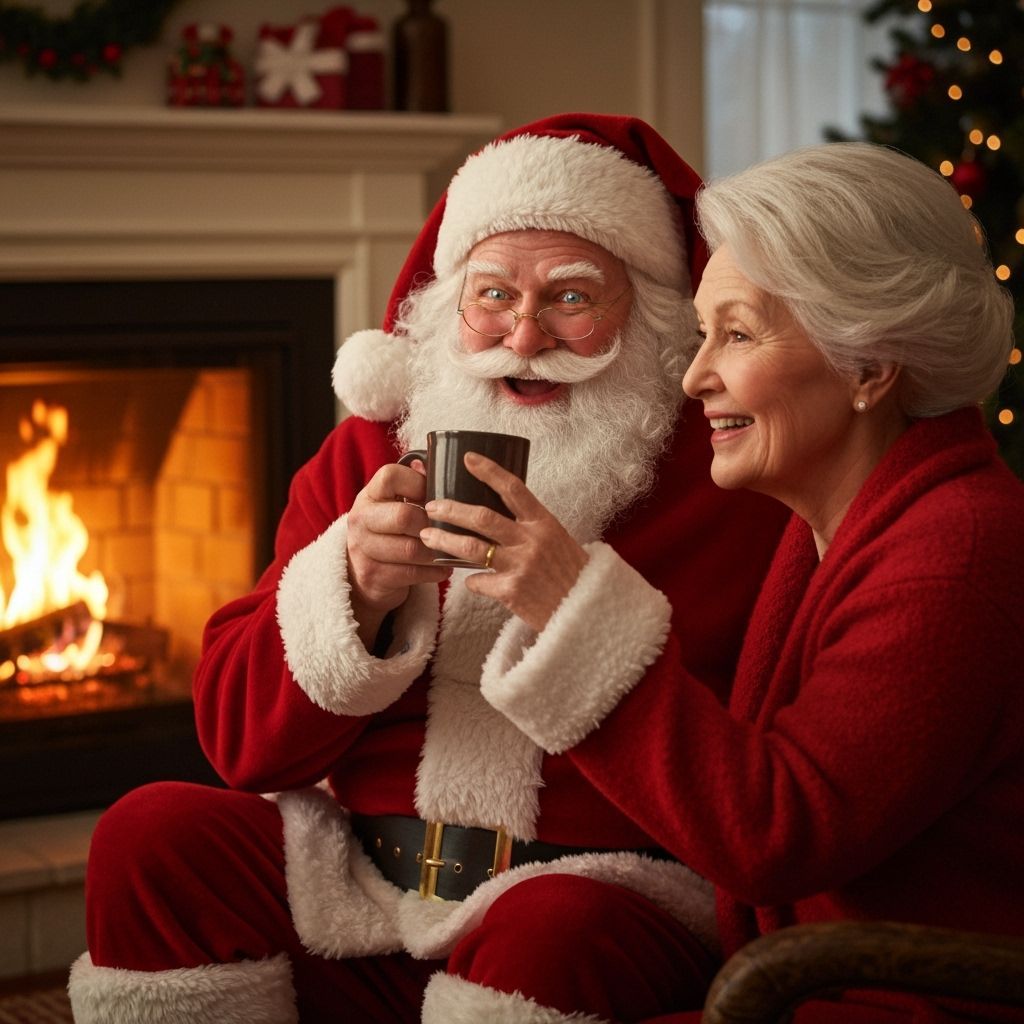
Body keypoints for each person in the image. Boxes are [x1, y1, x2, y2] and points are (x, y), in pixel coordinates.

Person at [68, 114, 790, 1024]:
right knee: (151, 834)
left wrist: (577, 611)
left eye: (572, 297)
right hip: (357, 884)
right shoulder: (369, 454)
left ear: (652, 310)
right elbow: (240, 748)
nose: (522, 335)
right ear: (449, 304)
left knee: (551, 935)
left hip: (597, 890)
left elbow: (762, 791)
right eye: (493, 294)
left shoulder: (730, 477)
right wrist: (356, 591)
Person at [419, 140, 1024, 1023]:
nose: (696, 376)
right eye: (704, 334)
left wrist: (568, 608)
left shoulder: (960, 550)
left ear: (869, 364)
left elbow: (777, 832)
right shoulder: (834, 524)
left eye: (736, 334)